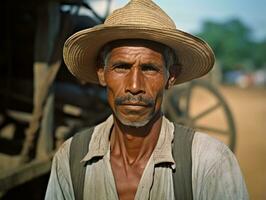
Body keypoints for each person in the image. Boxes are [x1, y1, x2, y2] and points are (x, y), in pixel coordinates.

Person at [45, 0, 249, 199]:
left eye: (150, 69)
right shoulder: (69, 160)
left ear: (171, 76)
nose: (134, 86)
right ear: (102, 73)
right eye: (122, 67)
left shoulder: (210, 164)